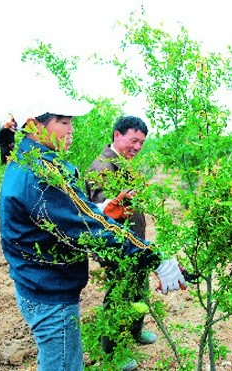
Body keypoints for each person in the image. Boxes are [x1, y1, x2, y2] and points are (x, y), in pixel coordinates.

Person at [0, 91, 186, 371]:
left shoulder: (32, 163)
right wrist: (154, 258)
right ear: (35, 125)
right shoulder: (41, 174)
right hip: (49, 290)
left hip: (42, 284)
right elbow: (87, 229)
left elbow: (72, 216)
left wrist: (103, 210)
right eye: (63, 122)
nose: (71, 129)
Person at [85, 116, 155, 359]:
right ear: (117, 135)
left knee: (139, 289)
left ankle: (135, 331)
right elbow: (103, 212)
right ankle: (112, 352)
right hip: (117, 248)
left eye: (141, 143)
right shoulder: (102, 167)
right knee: (117, 296)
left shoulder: (123, 163)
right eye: (133, 140)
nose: (137, 147)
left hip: (134, 244)